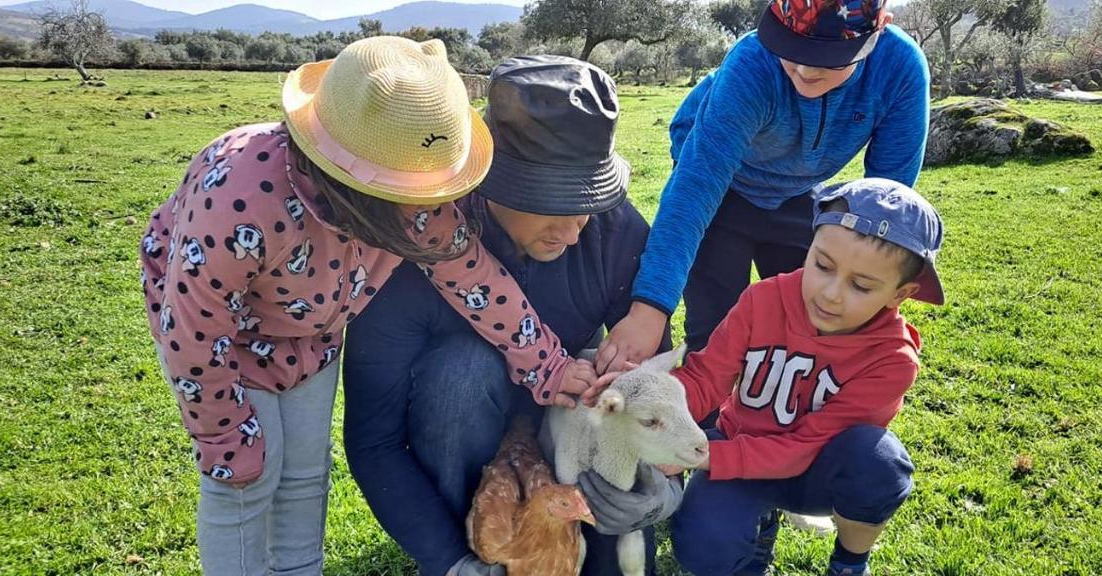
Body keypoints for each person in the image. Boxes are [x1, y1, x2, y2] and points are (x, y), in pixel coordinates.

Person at [140, 38, 596, 575]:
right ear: (351, 182)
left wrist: (546, 364)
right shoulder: (241, 193)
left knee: (305, 476)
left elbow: (476, 279)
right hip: (225, 344)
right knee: (244, 478)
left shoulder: (417, 207)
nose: (432, 208)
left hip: (310, 337)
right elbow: (194, 329)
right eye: (416, 194)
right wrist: (222, 433)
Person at [341, 56, 681, 576]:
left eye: (585, 202)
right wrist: (450, 561)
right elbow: (374, 440)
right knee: (462, 371)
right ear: (488, 180)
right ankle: (471, 544)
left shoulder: (613, 231)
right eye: (550, 203)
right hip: (458, 430)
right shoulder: (410, 253)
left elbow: (656, 385)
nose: (571, 233)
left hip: (566, 432)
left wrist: (660, 493)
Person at [596, 0, 930, 374]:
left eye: (828, 56)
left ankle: (782, 422)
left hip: (799, 191)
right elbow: (694, 189)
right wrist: (649, 309)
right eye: (789, 45)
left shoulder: (900, 69)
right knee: (716, 327)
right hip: (723, 186)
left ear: (878, 30)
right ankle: (710, 427)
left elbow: (886, 200)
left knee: (810, 323)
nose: (803, 68)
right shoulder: (753, 64)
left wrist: (873, 295)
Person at [663, 178, 945, 576]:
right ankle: (753, 542)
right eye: (822, 265)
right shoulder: (763, 298)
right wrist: (656, 404)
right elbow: (707, 377)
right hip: (741, 444)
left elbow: (807, 444)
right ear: (809, 246)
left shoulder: (893, 358)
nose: (831, 294)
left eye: (861, 285)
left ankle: (850, 562)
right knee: (702, 547)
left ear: (900, 294)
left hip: (813, 473)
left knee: (879, 462)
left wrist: (710, 456)